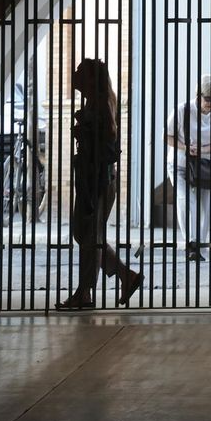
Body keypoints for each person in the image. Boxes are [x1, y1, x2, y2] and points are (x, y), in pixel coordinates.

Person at [56, 58, 142, 309]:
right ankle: (125, 275)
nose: (75, 75)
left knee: (90, 237)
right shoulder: (95, 101)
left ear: (92, 79)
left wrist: (84, 131)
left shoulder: (102, 104)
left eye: (80, 72)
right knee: (84, 234)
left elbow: (107, 141)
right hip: (91, 176)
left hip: (98, 178)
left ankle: (84, 293)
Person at [165, 74, 211, 262]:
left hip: (205, 166)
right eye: (208, 99)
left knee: (205, 205)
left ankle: (200, 244)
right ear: (198, 96)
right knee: (185, 200)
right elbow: (167, 136)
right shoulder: (182, 110)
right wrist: (186, 148)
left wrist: (203, 150)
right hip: (180, 164)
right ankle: (190, 243)